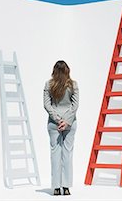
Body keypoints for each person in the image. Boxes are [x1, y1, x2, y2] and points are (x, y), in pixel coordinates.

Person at [43, 60, 79, 196]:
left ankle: (56, 187)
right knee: (67, 154)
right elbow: (75, 106)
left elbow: (47, 105)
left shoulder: (48, 84)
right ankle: (66, 187)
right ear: (67, 70)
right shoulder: (73, 85)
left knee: (55, 154)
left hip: (53, 124)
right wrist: (67, 121)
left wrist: (58, 120)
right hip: (70, 123)